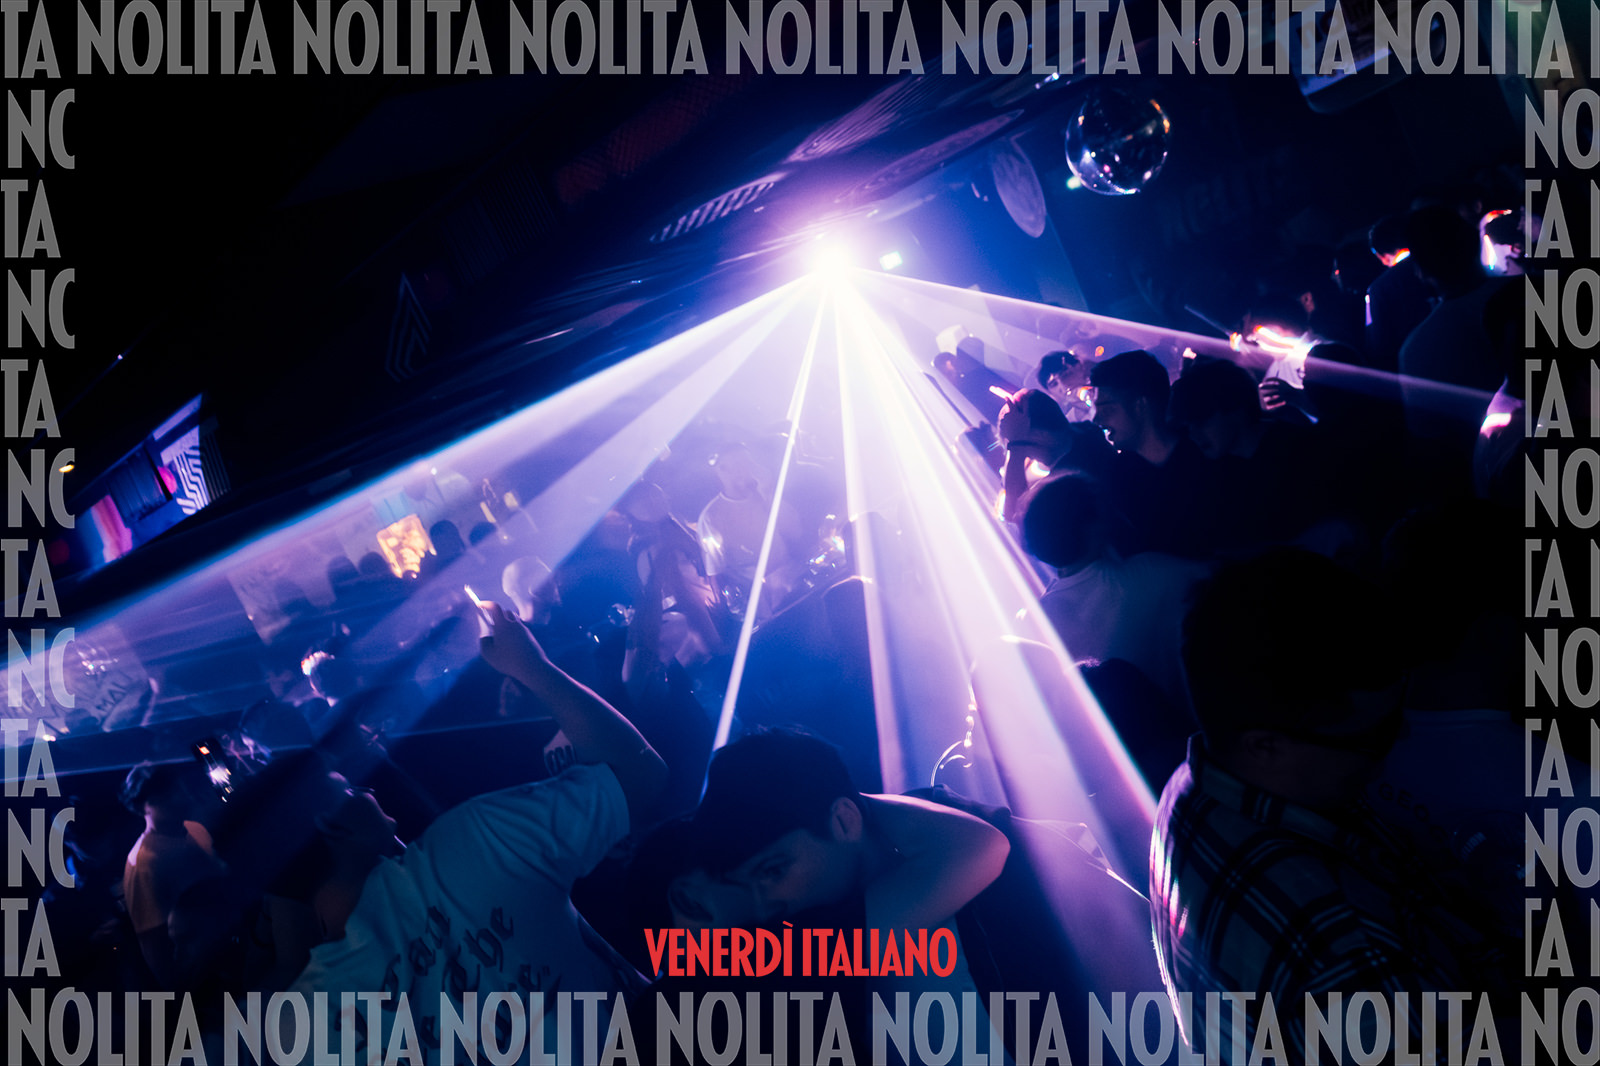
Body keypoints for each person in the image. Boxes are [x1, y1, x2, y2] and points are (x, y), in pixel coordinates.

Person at [214, 603, 667, 1065]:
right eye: (347, 788)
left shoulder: (303, 1028)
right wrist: (533, 667)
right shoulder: (472, 842)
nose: (366, 789)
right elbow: (640, 774)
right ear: (330, 826)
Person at [1151, 550, 1515, 1061]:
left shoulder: (1193, 782)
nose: (1402, 736)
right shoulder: (1349, 961)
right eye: (1375, 733)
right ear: (1265, 745)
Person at [1089, 350, 1217, 557]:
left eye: (1107, 410)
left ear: (1140, 406)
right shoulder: (1117, 477)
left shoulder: (1206, 451)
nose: (1096, 420)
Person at [119, 761, 224, 986]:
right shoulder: (143, 863)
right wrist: (181, 991)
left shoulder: (195, 828)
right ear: (142, 806)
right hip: (205, 975)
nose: (179, 797)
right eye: (165, 795)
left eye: (178, 788)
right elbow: (152, 941)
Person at [994, 387, 1111, 522]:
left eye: (1012, 438)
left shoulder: (1071, 478)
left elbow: (1014, 513)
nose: (1011, 448)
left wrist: (1016, 444)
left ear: (1040, 435)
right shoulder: (1084, 431)